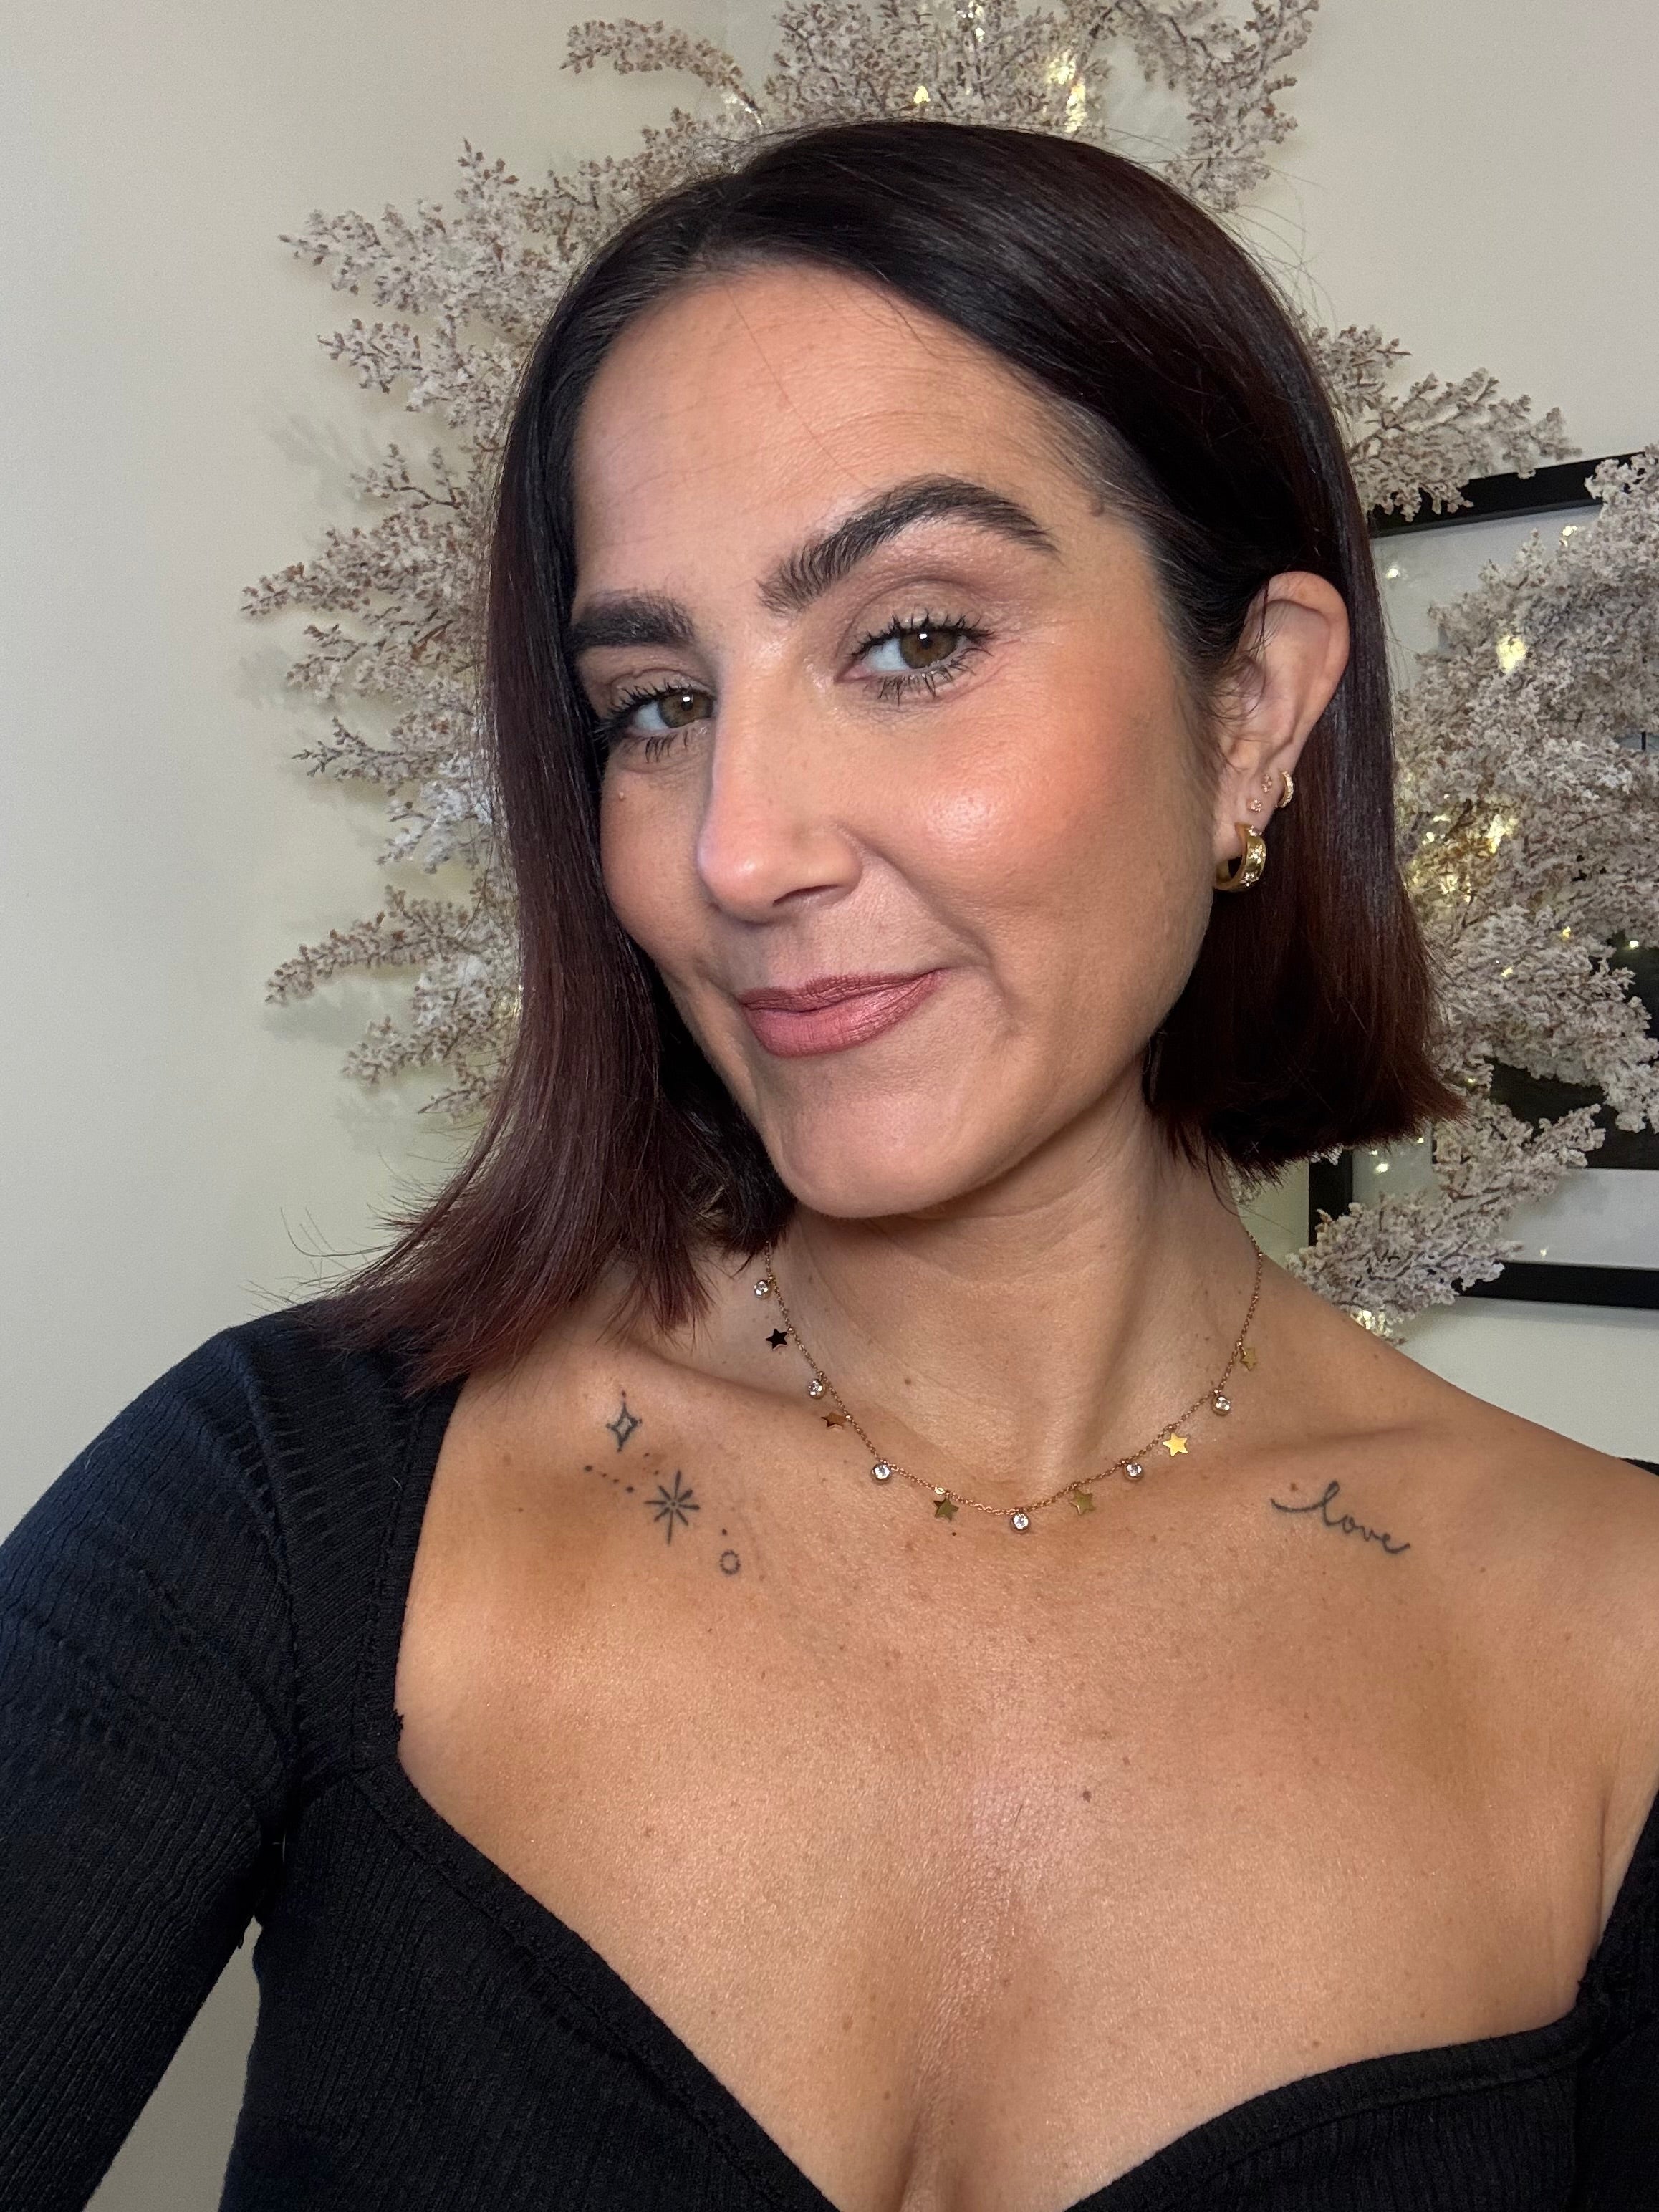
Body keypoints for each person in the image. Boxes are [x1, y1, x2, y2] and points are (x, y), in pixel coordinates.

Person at [3, 118, 1657, 2212]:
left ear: (1250, 707)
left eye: (912, 641)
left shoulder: (1616, 1652)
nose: (736, 850)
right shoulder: (291, 1500)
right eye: (656, 704)